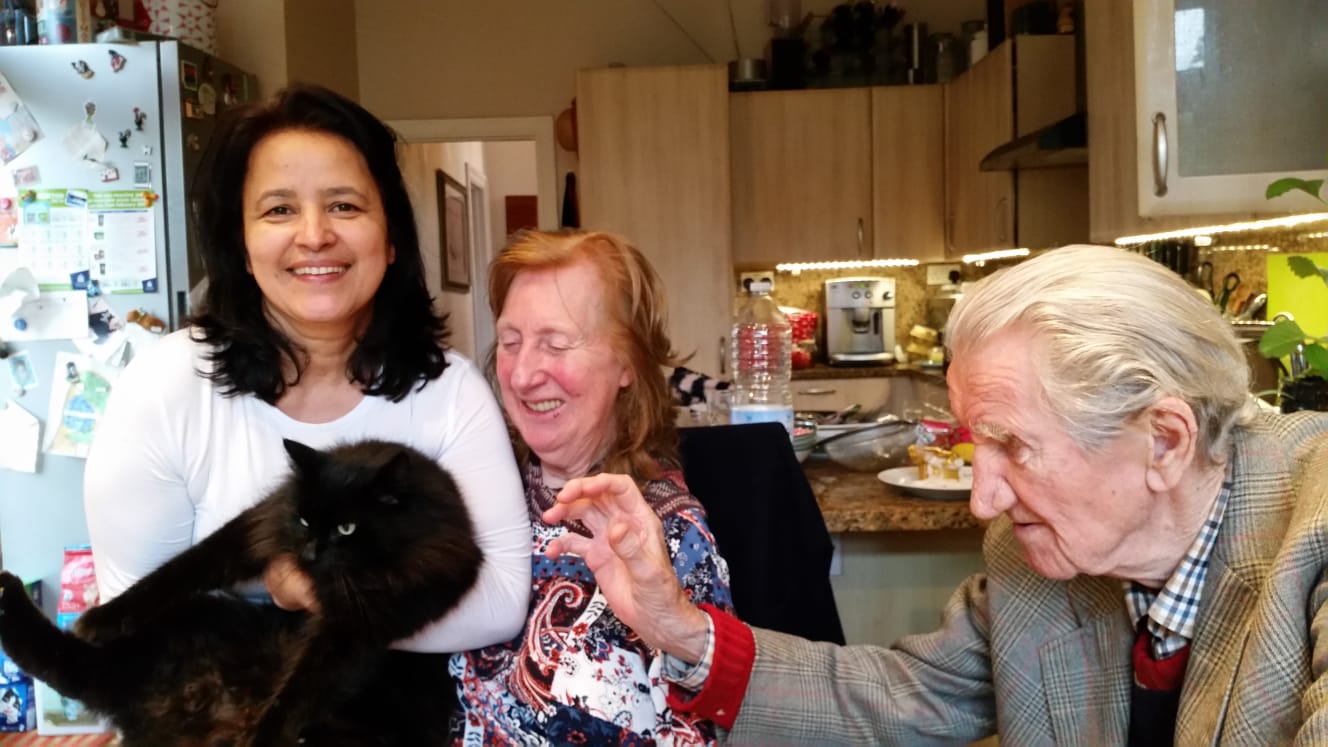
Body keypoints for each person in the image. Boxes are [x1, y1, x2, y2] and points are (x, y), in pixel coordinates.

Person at [543, 244, 1328, 745]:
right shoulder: (1034, 562)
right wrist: (678, 628)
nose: (983, 499)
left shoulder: (1315, 523)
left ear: (1165, 440)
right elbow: (903, 696)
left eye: (1013, 445)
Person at [82, 84, 530, 654]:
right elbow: (135, 619)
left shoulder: (450, 391)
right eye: (279, 210)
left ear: (391, 237)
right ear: (242, 246)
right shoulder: (164, 387)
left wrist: (303, 590)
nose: (315, 236)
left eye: (345, 206)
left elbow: (498, 603)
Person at [449, 229, 734, 744]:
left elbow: (701, 731)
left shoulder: (664, 537)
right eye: (511, 342)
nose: (522, 376)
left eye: (556, 344)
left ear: (627, 363)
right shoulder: (477, 496)